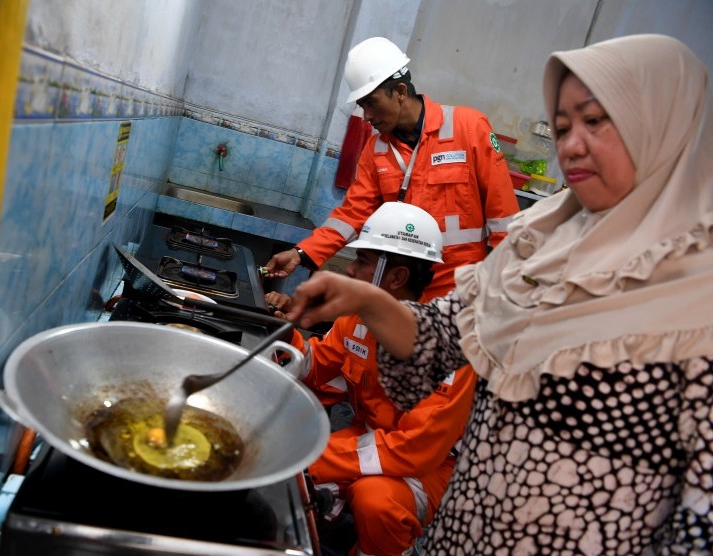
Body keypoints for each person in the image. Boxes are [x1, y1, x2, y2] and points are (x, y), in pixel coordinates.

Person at [286, 34, 713, 554]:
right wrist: (346, 284)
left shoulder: (682, 291)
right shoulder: (551, 235)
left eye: (599, 124)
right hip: (473, 482)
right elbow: (430, 320)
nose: (573, 145)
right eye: (564, 126)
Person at [273, 202, 477, 556]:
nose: (350, 269)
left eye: (363, 261)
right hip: (372, 441)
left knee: (375, 501)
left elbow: (413, 449)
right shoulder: (357, 321)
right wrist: (283, 333)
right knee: (289, 467)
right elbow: (315, 371)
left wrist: (315, 463)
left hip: (432, 467)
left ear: (396, 277)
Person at [264, 36, 520, 301]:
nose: (367, 117)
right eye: (362, 106)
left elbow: (504, 215)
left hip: (460, 288)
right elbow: (352, 214)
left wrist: (508, 286)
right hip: (399, 287)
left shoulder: (468, 127)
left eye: (371, 103)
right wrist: (302, 253)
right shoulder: (376, 150)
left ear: (399, 92)